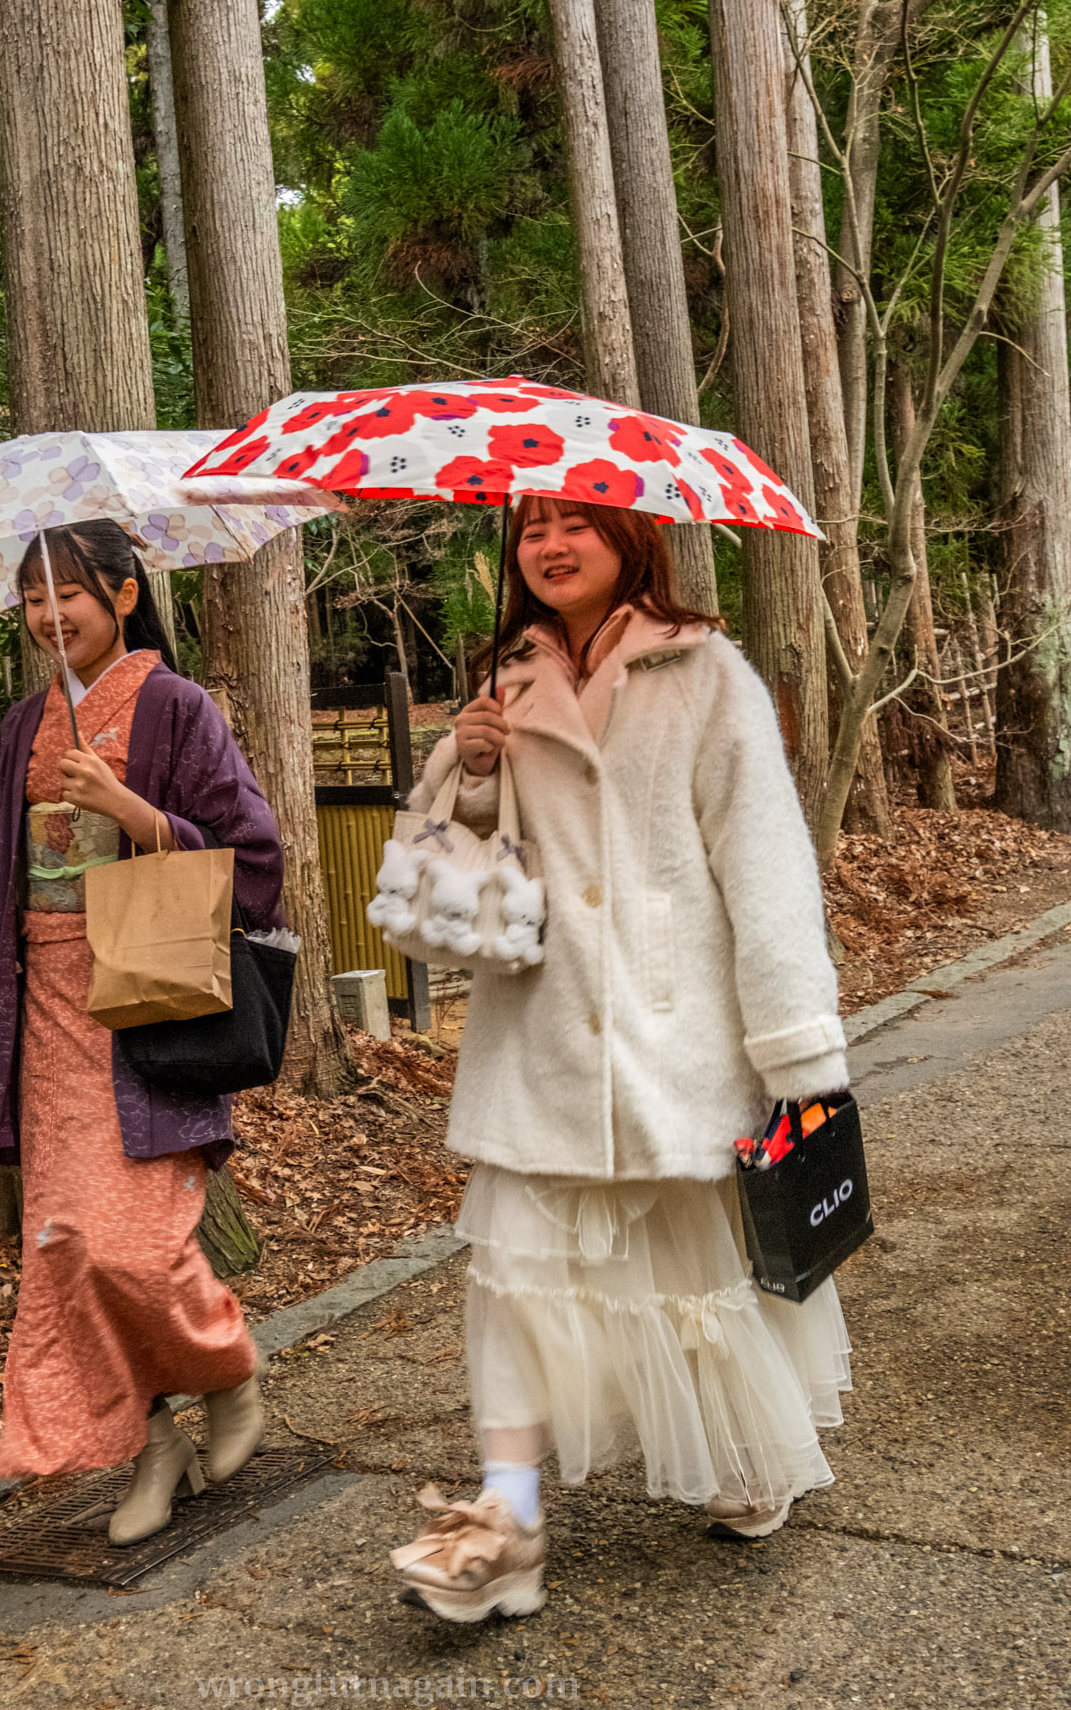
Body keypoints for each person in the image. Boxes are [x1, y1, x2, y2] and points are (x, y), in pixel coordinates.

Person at [390, 498, 851, 1623]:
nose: (549, 545)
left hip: (674, 1035)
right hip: (541, 1038)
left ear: (629, 536)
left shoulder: (707, 672)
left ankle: (748, 1452)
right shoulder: (507, 682)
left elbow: (767, 866)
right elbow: (452, 895)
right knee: (513, 1285)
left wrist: (797, 1049)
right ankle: (506, 1526)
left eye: (574, 524)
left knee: (701, 1276)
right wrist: (477, 767)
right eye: (530, 528)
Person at [0, 519, 280, 1545]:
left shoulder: (178, 705)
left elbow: (254, 855)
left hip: (145, 1000)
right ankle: (149, 1439)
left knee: (133, 1243)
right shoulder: (22, 723)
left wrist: (132, 808)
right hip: (44, 1009)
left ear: (125, 596)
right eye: (34, 598)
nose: (50, 616)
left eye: (68, 594)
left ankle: (227, 1365)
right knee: (65, 1246)